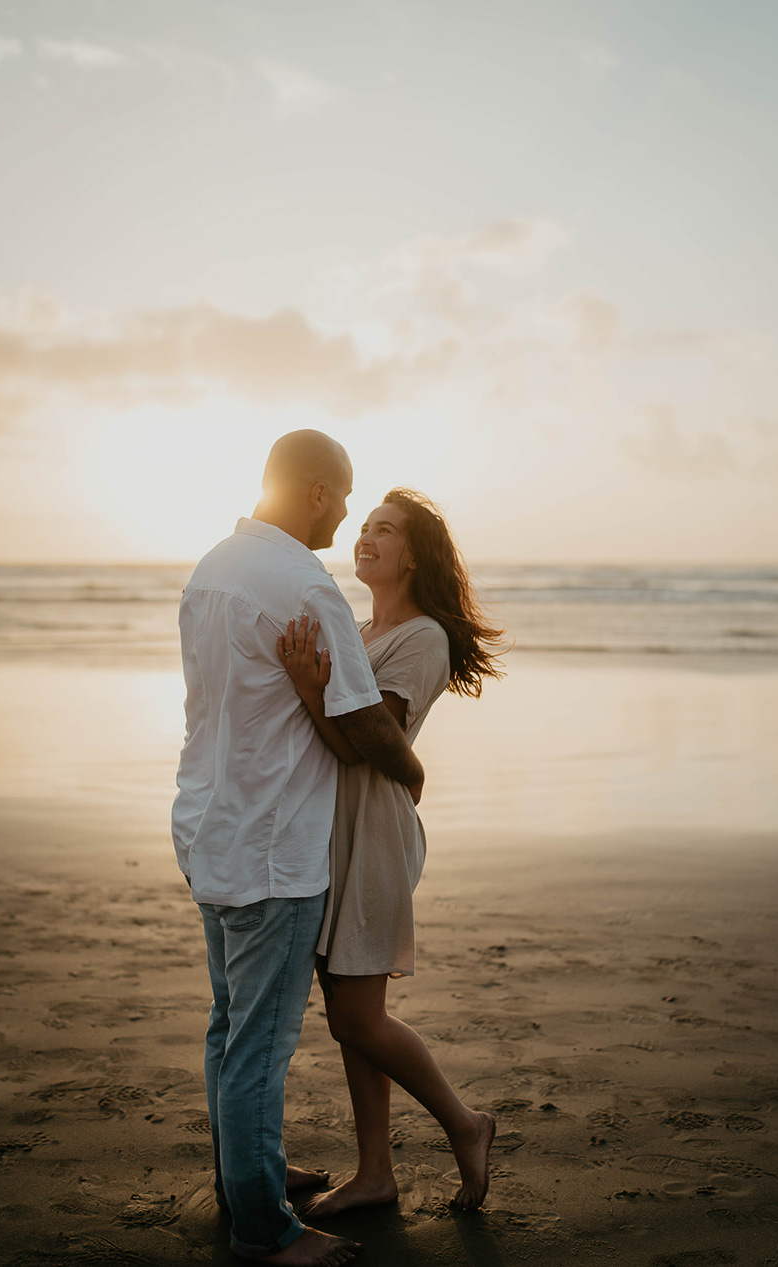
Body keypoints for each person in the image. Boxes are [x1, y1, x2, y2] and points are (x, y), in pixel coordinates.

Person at [171, 433, 425, 1267]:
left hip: (210, 823)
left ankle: (246, 1170)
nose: (349, 515)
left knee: (226, 1025)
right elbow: (361, 728)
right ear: (317, 490)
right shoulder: (301, 582)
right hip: (275, 845)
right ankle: (263, 1226)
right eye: (345, 497)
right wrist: (413, 766)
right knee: (259, 1043)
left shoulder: (214, 565)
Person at [277, 488, 503, 1217]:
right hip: (332, 825)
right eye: (365, 526)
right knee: (348, 1003)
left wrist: (312, 692)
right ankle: (376, 1172)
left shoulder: (423, 637)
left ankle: (466, 1124)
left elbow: (373, 742)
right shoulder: (362, 626)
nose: (366, 537)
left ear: (414, 553)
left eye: (385, 530)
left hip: (371, 830)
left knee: (355, 1015)